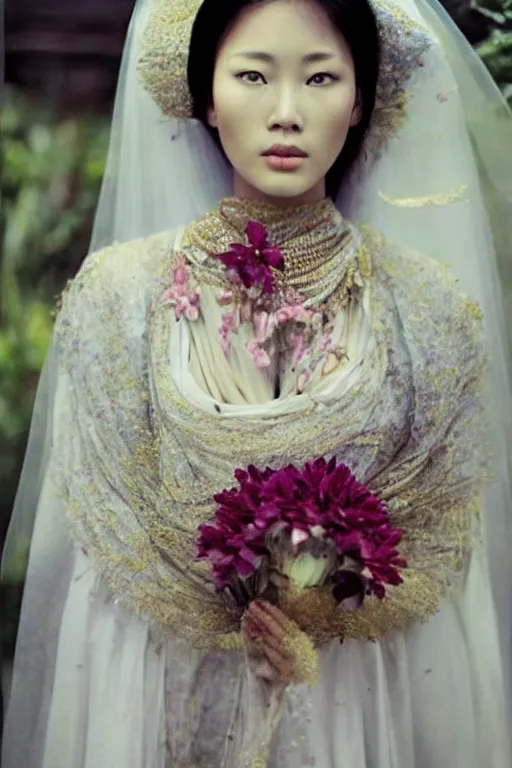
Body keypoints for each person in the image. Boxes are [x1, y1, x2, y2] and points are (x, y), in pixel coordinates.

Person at [2, 0, 512, 764]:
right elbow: (95, 584)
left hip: (359, 712)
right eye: (251, 76)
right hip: (160, 704)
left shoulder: (425, 311)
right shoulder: (121, 301)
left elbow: (447, 586)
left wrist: (324, 606)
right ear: (205, 94)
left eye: (319, 77)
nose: (285, 112)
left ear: (361, 98)